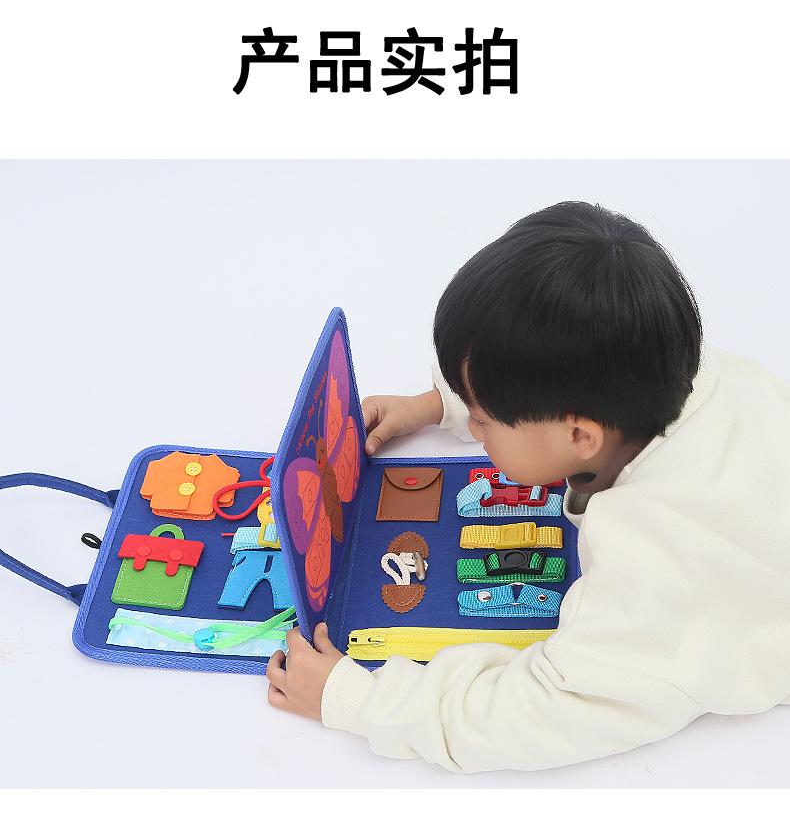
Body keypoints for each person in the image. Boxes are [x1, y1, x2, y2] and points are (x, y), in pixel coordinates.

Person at [265, 201, 790, 773]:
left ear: (580, 435)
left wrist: (359, 702)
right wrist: (437, 404)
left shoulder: (655, 578)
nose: (474, 427)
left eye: (483, 417)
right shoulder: (680, 368)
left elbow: (544, 713)